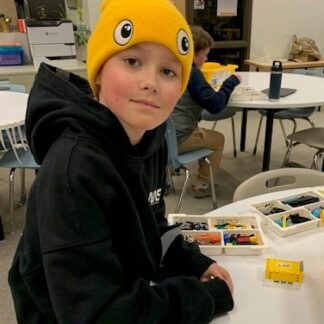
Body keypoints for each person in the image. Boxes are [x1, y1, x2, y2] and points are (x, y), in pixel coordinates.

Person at [9, 1, 234, 323]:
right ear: (99, 70)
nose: (151, 82)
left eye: (169, 71)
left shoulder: (149, 136)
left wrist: (192, 262)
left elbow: (150, 223)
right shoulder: (74, 170)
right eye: (132, 60)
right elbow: (98, 313)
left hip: (124, 285)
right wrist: (201, 298)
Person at [171, 26, 240, 198]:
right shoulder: (192, 73)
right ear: (194, 53)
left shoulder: (171, 67)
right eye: (205, 54)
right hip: (180, 138)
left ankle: (165, 179)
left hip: (161, 138)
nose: (206, 58)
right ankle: (202, 184)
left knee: (201, 132)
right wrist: (230, 82)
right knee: (217, 139)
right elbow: (215, 105)